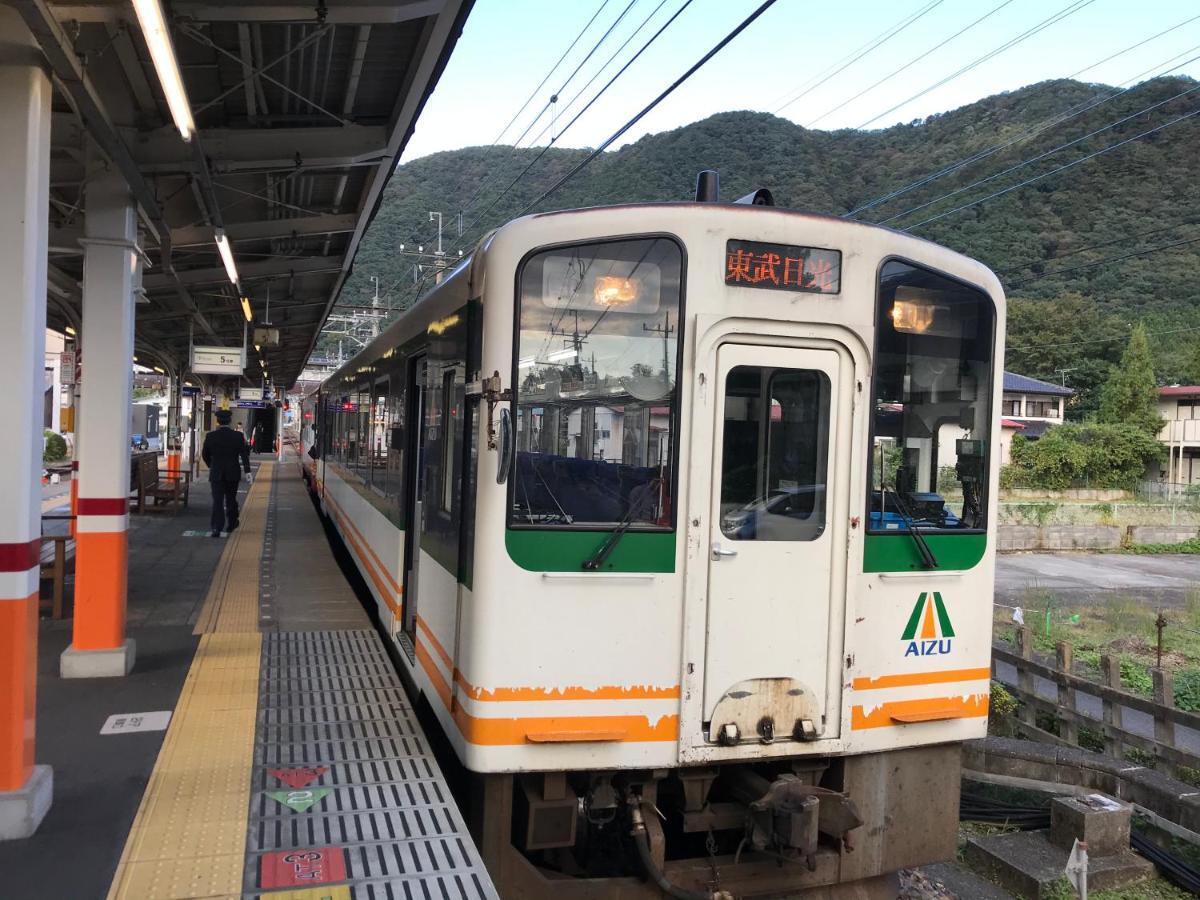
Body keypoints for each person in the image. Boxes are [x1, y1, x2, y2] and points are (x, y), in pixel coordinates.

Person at [202, 409, 251, 537]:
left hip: (216, 474)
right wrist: (247, 470)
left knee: (217, 501)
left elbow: (205, 455)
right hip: (233, 473)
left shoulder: (210, 436)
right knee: (231, 499)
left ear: (217, 421)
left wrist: (211, 466)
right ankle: (231, 524)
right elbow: (244, 455)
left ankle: (216, 528)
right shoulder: (237, 436)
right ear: (230, 421)